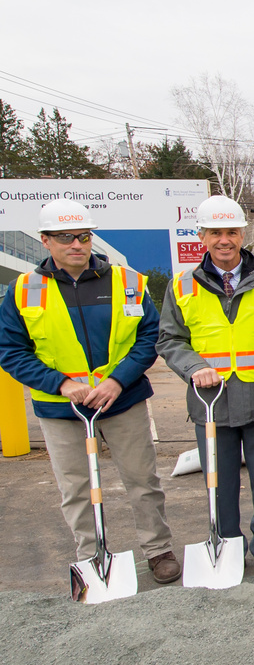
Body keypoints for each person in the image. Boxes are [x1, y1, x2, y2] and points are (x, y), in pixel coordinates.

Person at [0, 199, 180, 585]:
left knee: (143, 480)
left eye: (83, 236)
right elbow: (11, 350)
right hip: (62, 408)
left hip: (122, 399)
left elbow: (150, 337)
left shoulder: (126, 282)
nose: (77, 244)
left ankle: (158, 549)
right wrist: (62, 384)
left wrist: (117, 380)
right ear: (46, 241)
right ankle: (91, 555)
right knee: (76, 489)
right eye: (66, 238)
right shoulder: (24, 290)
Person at [158, 195, 254, 582]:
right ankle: (227, 545)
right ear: (202, 236)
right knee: (219, 482)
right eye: (215, 232)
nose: (224, 240)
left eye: (231, 231)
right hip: (210, 404)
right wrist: (194, 366)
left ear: (243, 234)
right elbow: (169, 340)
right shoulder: (181, 285)